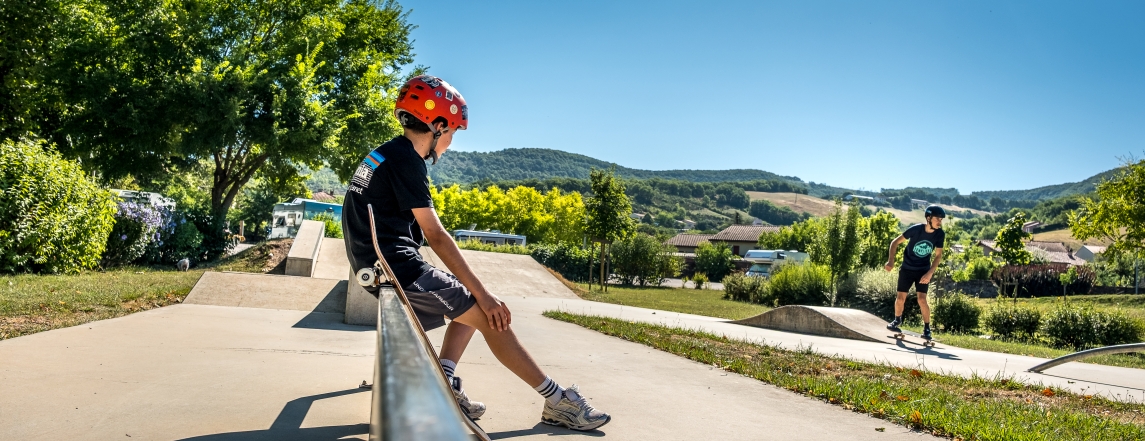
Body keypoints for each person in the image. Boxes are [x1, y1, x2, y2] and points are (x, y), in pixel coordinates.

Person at [341, 75, 611, 431]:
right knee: (489, 314)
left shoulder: (386, 153)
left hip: (379, 265)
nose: (451, 142)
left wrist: (477, 291)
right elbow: (436, 235)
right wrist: (484, 295)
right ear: (437, 125)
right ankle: (558, 401)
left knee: (469, 302)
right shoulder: (407, 160)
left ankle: (446, 382)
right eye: (452, 132)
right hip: (396, 270)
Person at [883, 205, 946, 341]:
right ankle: (897, 320)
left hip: (923, 271)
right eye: (937, 219)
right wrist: (891, 261)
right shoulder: (916, 229)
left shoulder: (939, 234)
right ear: (928, 218)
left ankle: (927, 328)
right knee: (901, 298)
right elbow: (895, 242)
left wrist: (929, 273)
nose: (939, 222)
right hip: (907, 268)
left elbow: (938, 256)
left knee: (922, 299)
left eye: (941, 220)